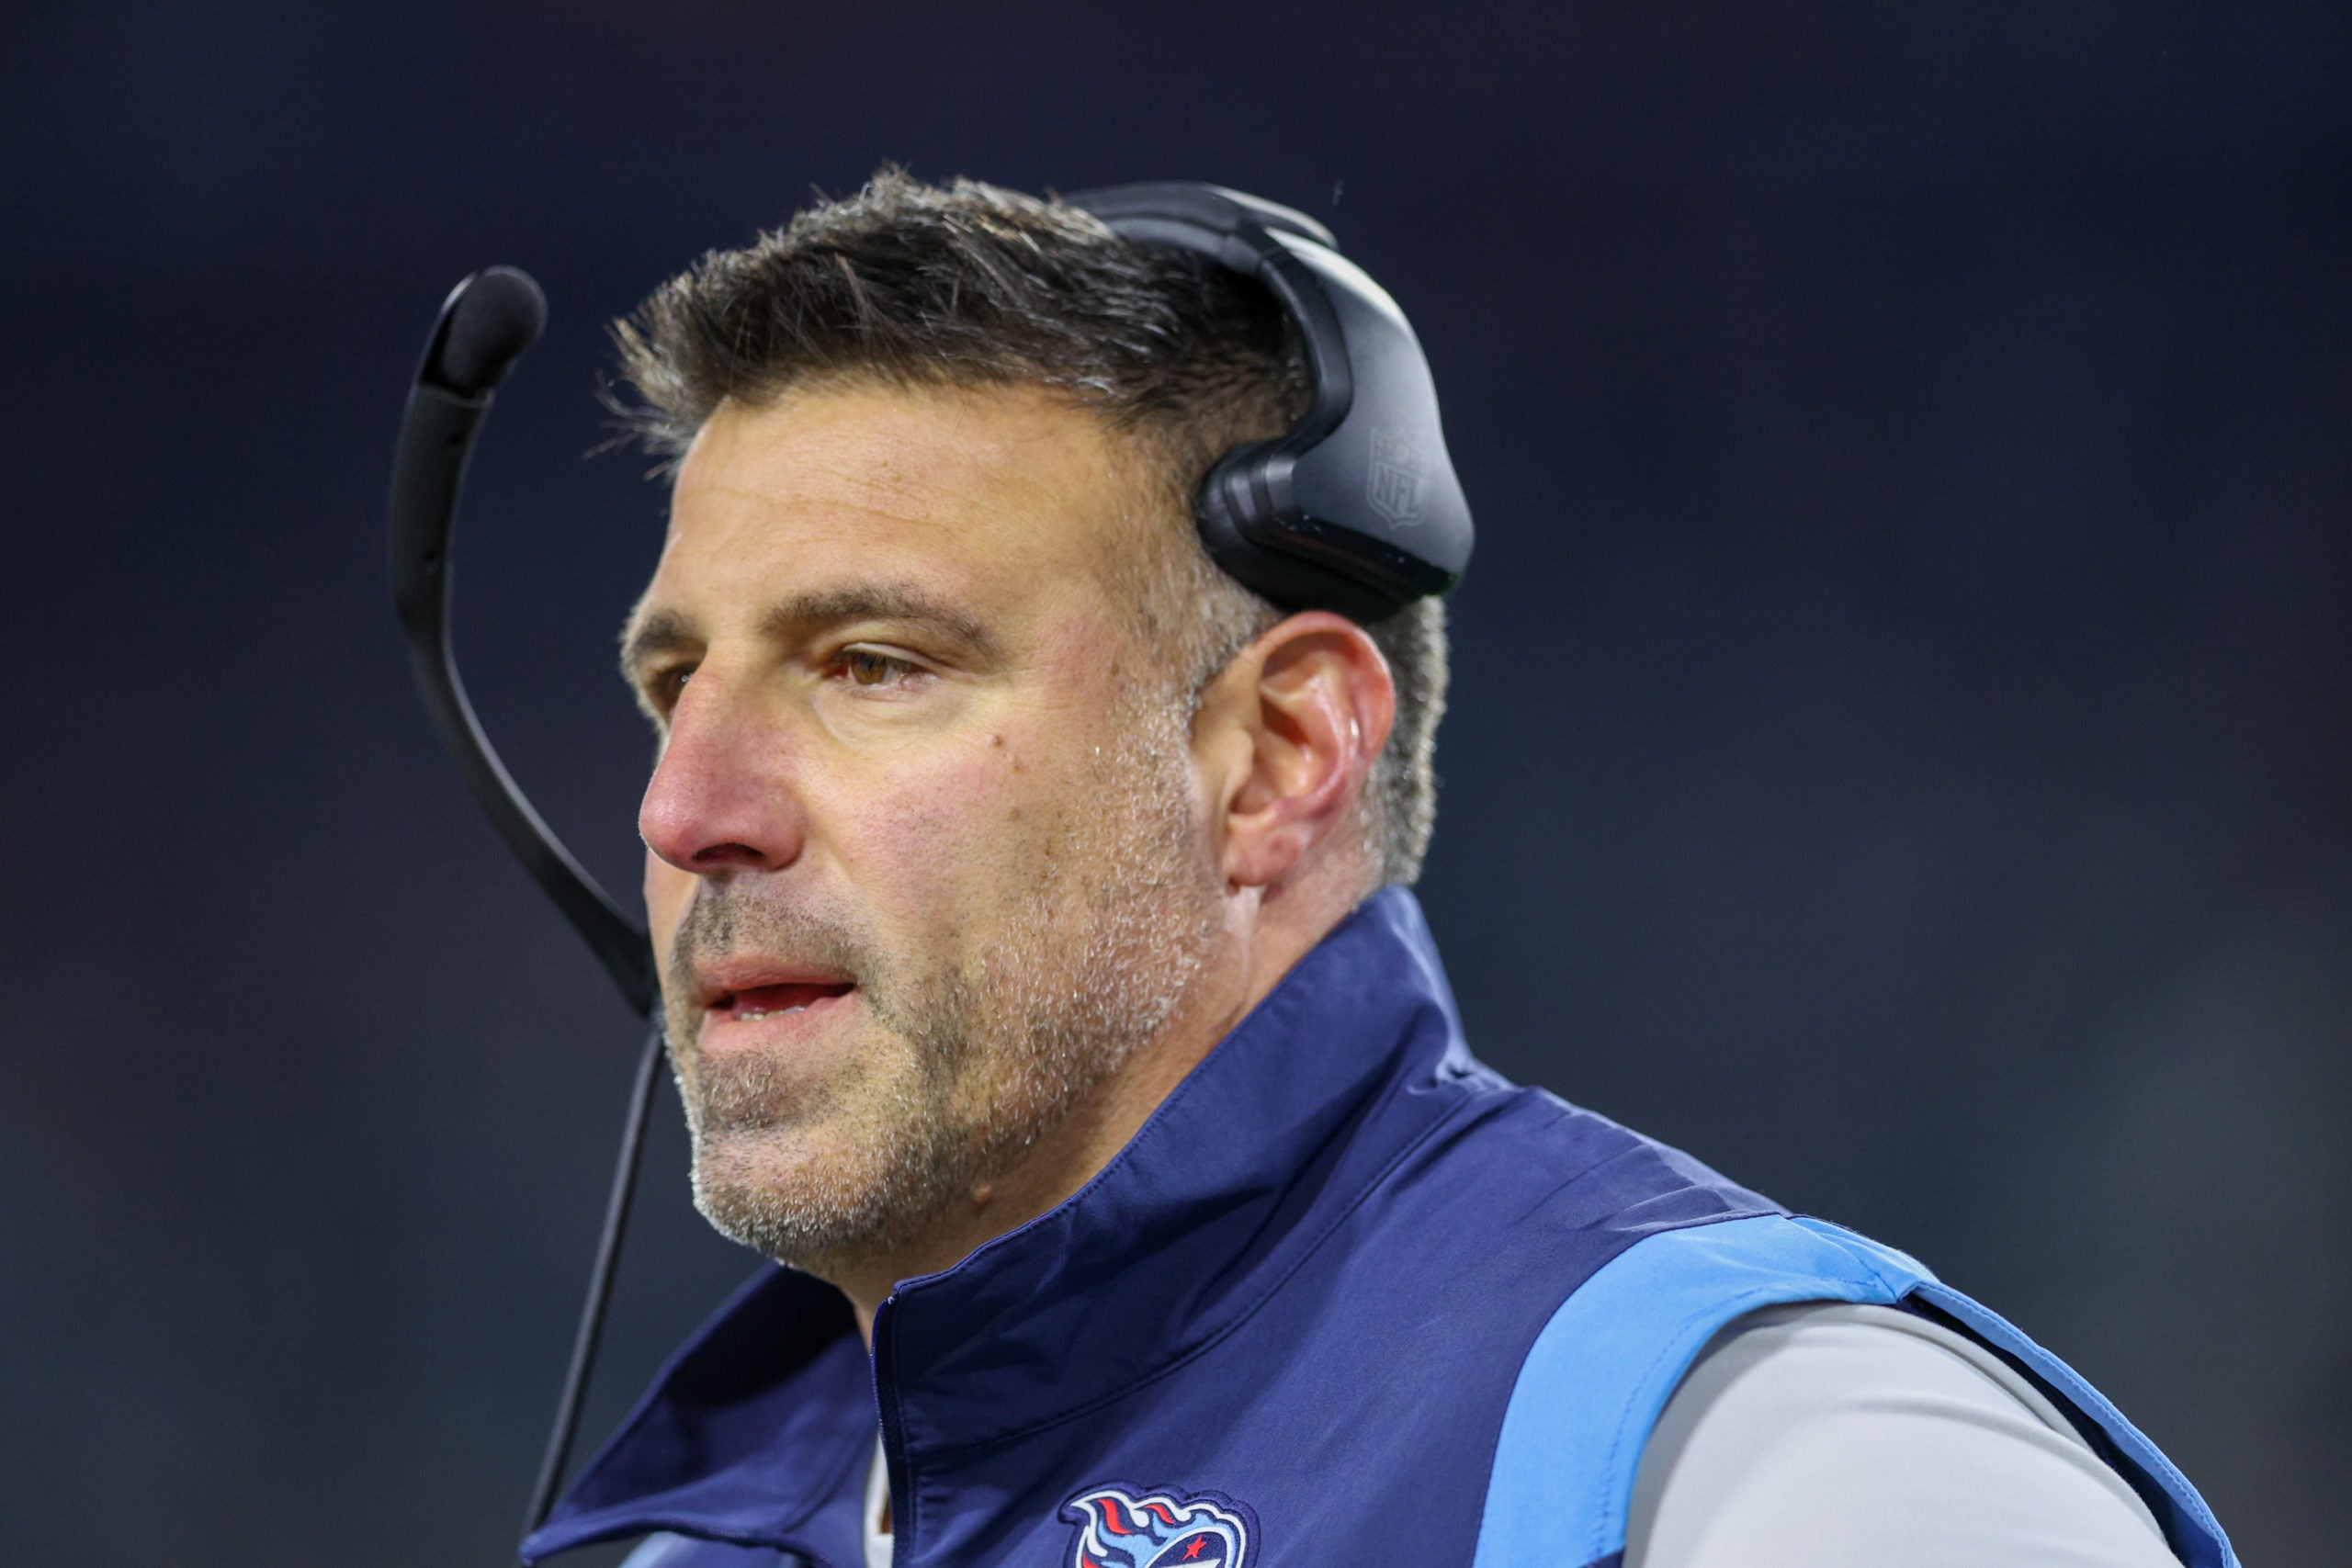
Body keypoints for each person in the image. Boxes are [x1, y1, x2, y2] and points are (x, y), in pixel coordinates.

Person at [516, 171, 2233, 1568]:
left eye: (874, 664)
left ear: (1278, 760)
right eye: (676, 688)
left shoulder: (1781, 1466)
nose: (688, 810)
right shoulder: (711, 1544)